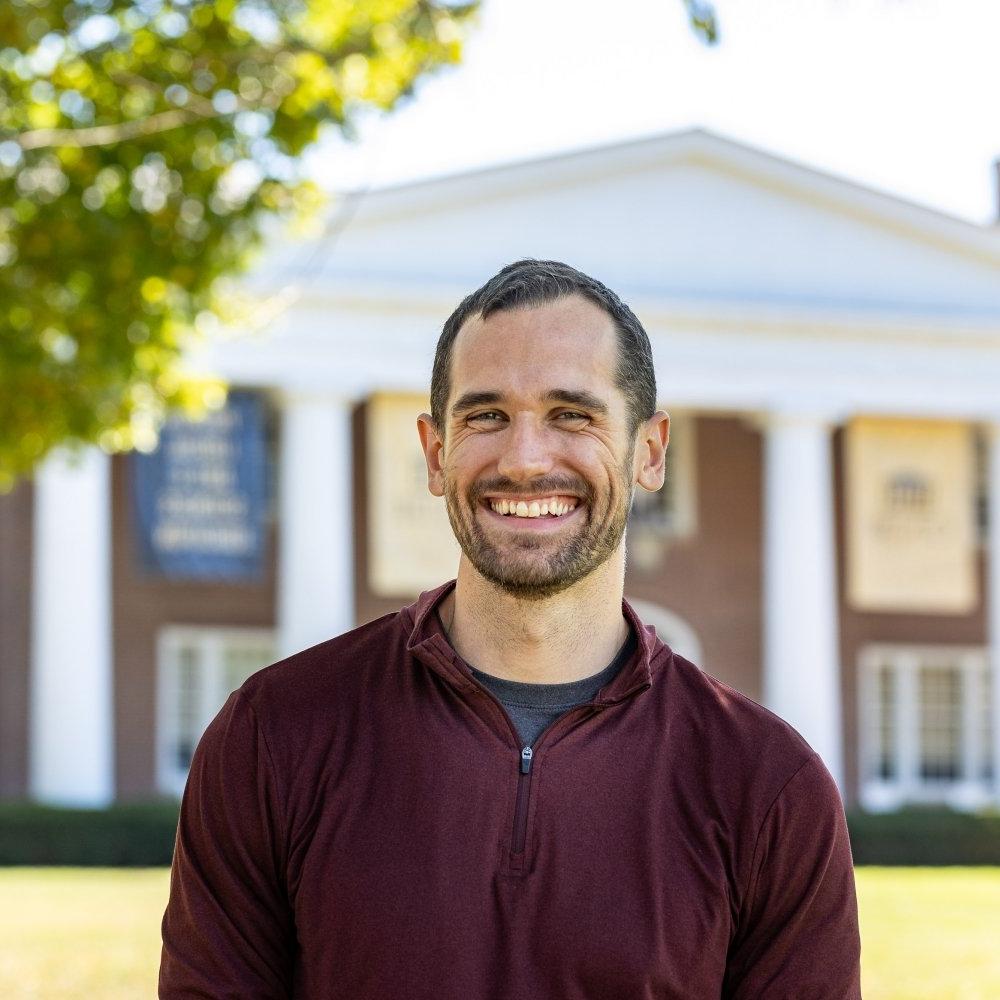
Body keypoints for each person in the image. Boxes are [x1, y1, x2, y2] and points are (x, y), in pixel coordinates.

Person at [159, 259, 862, 999]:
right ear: (436, 453)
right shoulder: (275, 733)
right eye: (486, 416)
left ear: (649, 452)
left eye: (573, 414)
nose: (525, 458)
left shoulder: (767, 784)